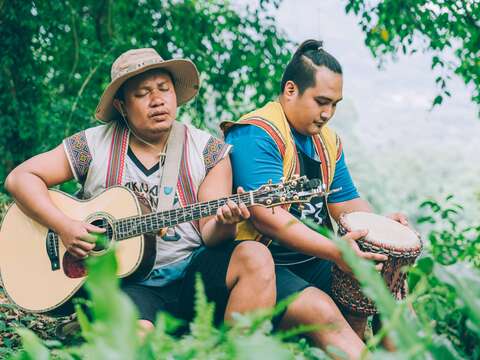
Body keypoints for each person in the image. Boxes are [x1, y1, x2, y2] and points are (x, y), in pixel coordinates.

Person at [5, 47, 276, 333]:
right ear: (121, 105)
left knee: (255, 257)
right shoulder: (93, 145)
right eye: (142, 93)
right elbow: (20, 178)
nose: (157, 101)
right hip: (128, 286)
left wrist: (225, 222)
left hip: (192, 275)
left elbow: (211, 234)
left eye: (164, 89)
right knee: (138, 338)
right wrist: (63, 226)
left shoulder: (210, 152)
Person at [222, 40, 408, 358]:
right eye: (321, 101)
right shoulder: (255, 134)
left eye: (335, 104)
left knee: (388, 291)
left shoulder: (327, 141)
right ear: (291, 90)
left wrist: (381, 228)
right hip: (267, 267)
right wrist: (338, 252)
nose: (328, 114)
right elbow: (269, 219)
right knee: (322, 313)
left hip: (318, 262)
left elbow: (346, 202)